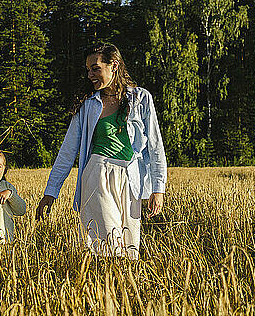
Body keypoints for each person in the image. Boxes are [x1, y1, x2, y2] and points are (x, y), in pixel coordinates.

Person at [35, 44, 166, 259]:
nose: (90, 75)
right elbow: (67, 152)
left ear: (113, 65)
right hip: (98, 175)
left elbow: (155, 146)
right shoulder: (87, 105)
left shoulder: (141, 98)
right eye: (88, 70)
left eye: (95, 68)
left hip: (131, 179)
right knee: (106, 242)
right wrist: (51, 192)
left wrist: (158, 188)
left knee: (129, 247)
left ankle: (119, 291)